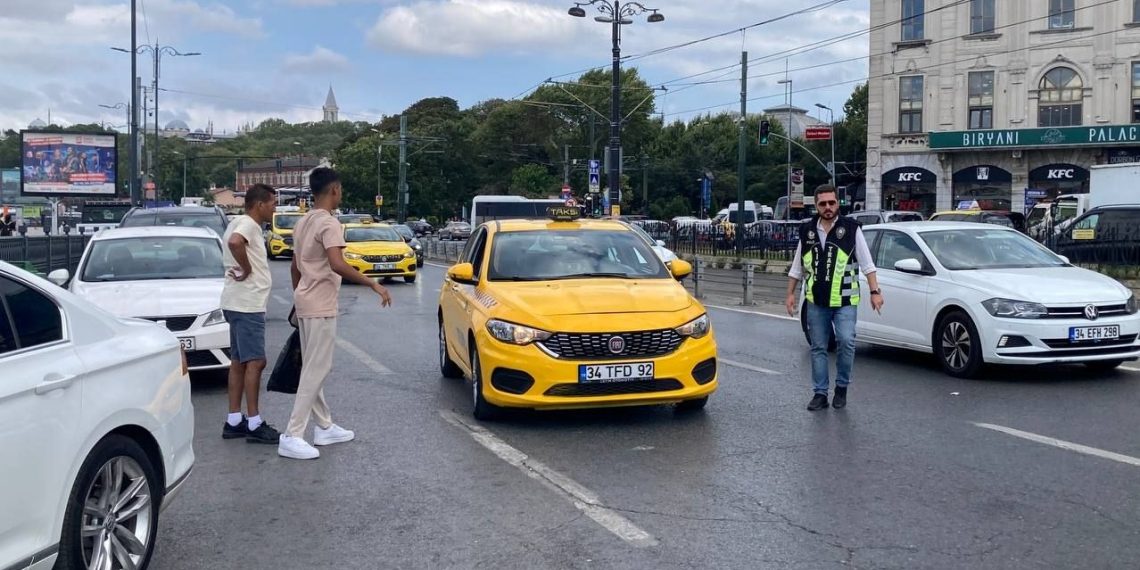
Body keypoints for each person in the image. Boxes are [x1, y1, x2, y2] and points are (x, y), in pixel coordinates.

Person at [279, 167, 392, 460]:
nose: (341, 194)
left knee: (312, 366)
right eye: (340, 189)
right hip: (320, 305)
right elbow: (337, 263)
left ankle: (324, 426)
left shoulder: (303, 222)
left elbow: (294, 267)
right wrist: (373, 284)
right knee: (317, 368)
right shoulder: (329, 224)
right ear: (333, 191)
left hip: (305, 301)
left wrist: (298, 296)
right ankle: (292, 434)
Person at [785, 185, 884, 412]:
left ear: (838, 203)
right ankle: (820, 393)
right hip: (816, 301)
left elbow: (868, 265)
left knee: (846, 342)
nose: (828, 208)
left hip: (845, 301)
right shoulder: (807, 231)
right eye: (823, 204)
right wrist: (790, 294)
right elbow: (797, 267)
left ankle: (841, 388)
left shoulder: (851, 229)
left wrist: (875, 292)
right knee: (818, 347)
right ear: (816, 206)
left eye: (831, 203)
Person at [220, 183, 279, 443]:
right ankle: (254, 423)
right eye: (273, 204)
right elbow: (236, 243)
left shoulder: (236, 222)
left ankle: (234, 420)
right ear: (259, 205)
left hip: (235, 302)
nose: (274, 209)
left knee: (239, 361)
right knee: (255, 362)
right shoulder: (248, 225)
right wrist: (246, 269)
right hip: (247, 304)